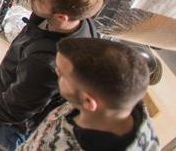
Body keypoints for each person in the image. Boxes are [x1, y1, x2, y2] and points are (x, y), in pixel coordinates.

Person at [0, 0, 104, 150]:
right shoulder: (81, 23)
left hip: (11, 125)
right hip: (12, 90)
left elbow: (17, 107)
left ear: (61, 17)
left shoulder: (46, 62)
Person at [20, 38, 159, 150]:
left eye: (62, 74)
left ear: (88, 102)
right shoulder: (125, 102)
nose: (56, 72)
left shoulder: (64, 146)